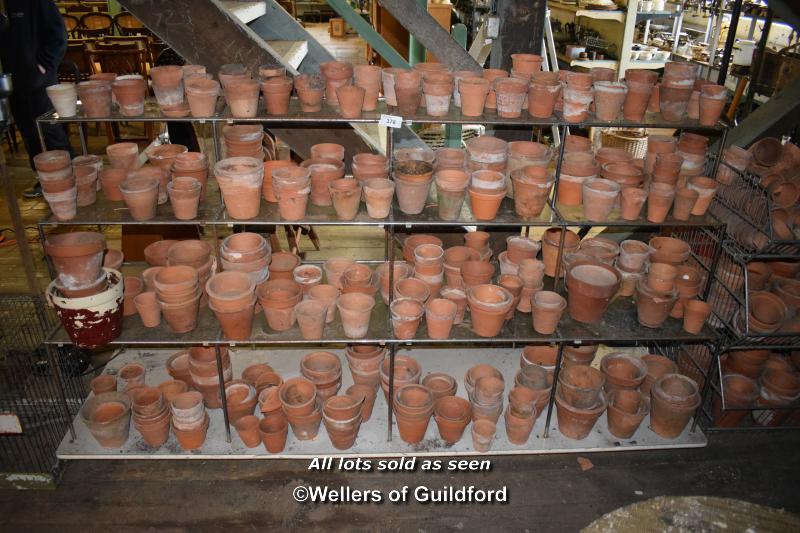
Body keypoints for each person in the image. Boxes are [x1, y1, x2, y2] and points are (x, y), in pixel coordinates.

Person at [0, 0, 74, 198]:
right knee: (29, 133)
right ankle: (44, 179)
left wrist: (43, 66)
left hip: (39, 80)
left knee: (49, 130)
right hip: (12, 82)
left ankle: (69, 176)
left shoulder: (37, 3)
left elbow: (59, 35)